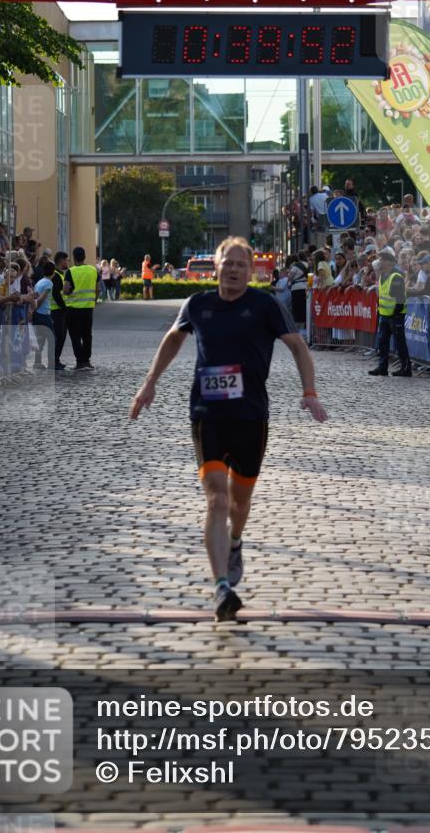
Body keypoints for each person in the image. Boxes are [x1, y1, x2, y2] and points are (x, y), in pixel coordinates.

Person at [129, 236, 328, 621]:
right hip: (208, 414)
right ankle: (221, 586)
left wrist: (309, 392)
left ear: (251, 270)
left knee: (239, 503)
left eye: (241, 264)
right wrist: (150, 382)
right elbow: (173, 339)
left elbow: (298, 347)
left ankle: (235, 541)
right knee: (217, 500)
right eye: (228, 263)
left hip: (252, 416)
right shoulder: (198, 304)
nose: (233, 269)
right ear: (216, 267)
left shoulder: (265, 305)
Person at [369, 246, 411, 377]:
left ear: (388, 262)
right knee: (383, 342)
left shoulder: (396, 276)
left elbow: (400, 299)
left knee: (399, 343)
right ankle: (382, 367)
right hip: (384, 315)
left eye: (381, 260)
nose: (379, 262)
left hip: (395, 316)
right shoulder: (383, 276)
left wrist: (395, 314)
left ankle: (406, 369)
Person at [63, 246, 99, 370]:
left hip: (73, 309)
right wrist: (93, 301)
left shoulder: (70, 271)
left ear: (74, 258)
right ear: (84, 256)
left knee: (75, 336)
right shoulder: (93, 270)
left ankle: (79, 362)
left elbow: (66, 290)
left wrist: (70, 291)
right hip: (88, 309)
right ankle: (87, 361)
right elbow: (97, 289)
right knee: (87, 335)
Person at [32, 260, 56, 370]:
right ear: (53, 272)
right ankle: (51, 364)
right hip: (43, 314)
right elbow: (42, 298)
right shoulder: (49, 283)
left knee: (40, 339)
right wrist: (36, 307)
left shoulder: (39, 281)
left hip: (37, 314)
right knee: (52, 339)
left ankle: (37, 362)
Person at [51, 251, 69, 370]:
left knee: (60, 336)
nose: (67, 262)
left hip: (58, 310)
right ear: (61, 261)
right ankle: (54, 361)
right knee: (59, 336)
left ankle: (56, 360)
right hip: (57, 311)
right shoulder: (56, 275)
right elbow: (56, 294)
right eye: (66, 260)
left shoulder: (59, 274)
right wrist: (64, 308)